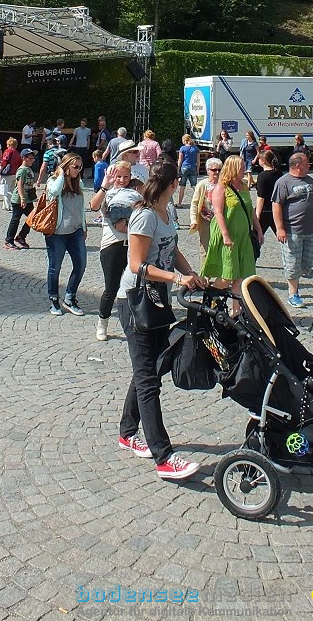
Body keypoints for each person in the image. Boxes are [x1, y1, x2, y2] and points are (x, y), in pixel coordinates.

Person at [115, 159, 208, 480]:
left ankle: (127, 432)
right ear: (171, 185)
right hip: (136, 301)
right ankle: (164, 456)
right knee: (148, 378)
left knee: (150, 368)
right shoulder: (144, 216)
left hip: (157, 300)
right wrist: (175, 278)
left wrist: (190, 274)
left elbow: (173, 250)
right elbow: (137, 264)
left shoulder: (170, 213)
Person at [90, 160, 142, 341]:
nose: (122, 179)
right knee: (111, 288)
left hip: (133, 245)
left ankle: (134, 323)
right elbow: (93, 206)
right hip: (112, 245)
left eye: (125, 177)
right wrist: (105, 186)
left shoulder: (134, 193)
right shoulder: (108, 192)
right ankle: (102, 323)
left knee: (135, 286)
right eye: (118, 176)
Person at [201, 155, 262, 307]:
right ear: (233, 169)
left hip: (243, 236)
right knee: (228, 275)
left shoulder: (244, 186)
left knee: (241, 276)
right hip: (228, 237)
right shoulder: (221, 188)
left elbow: (251, 210)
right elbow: (218, 212)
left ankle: (236, 313)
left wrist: (259, 229)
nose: (245, 170)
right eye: (241, 167)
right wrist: (226, 235)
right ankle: (210, 299)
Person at [272, 152, 313, 308]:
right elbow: (276, 205)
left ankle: (295, 277)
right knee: (292, 263)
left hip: (311, 230)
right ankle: (293, 294)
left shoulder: (310, 180)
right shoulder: (283, 182)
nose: (310, 165)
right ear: (298, 165)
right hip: (291, 231)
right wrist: (280, 228)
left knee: (310, 261)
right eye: (307, 162)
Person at [45, 153, 88, 316]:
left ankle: (70, 297)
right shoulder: (53, 181)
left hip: (76, 231)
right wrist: (62, 174)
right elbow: (55, 192)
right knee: (55, 267)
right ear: (66, 166)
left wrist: (84, 226)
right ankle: (54, 299)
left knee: (81, 264)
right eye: (75, 166)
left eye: (80, 167)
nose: (78, 170)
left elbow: (81, 206)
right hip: (57, 232)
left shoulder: (79, 183)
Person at [189, 157, 222, 258]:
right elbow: (194, 203)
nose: (217, 172)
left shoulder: (224, 184)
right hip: (205, 220)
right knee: (206, 249)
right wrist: (194, 220)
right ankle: (205, 273)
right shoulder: (202, 185)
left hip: (221, 220)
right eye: (214, 170)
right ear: (208, 171)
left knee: (220, 247)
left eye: (219, 170)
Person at [4, 149, 37, 249]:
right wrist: (22, 198)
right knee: (15, 219)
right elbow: (19, 185)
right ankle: (8, 240)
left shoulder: (28, 169)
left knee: (33, 218)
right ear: (23, 158)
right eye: (30, 158)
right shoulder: (22, 169)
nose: (33, 160)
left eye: (33, 158)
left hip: (28, 199)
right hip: (19, 199)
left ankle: (21, 237)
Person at [254, 149, 281, 242]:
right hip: (278, 209)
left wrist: (257, 214)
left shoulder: (262, 176)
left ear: (263, 161)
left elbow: (261, 196)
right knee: (283, 235)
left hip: (265, 211)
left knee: (255, 238)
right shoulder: (279, 173)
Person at [176, 134, 199, 207]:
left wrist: (178, 169)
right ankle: (200, 201)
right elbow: (198, 161)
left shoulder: (182, 148)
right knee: (194, 186)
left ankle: (179, 203)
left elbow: (180, 160)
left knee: (182, 186)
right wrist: (197, 169)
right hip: (193, 168)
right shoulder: (196, 148)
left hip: (184, 167)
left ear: (184, 140)